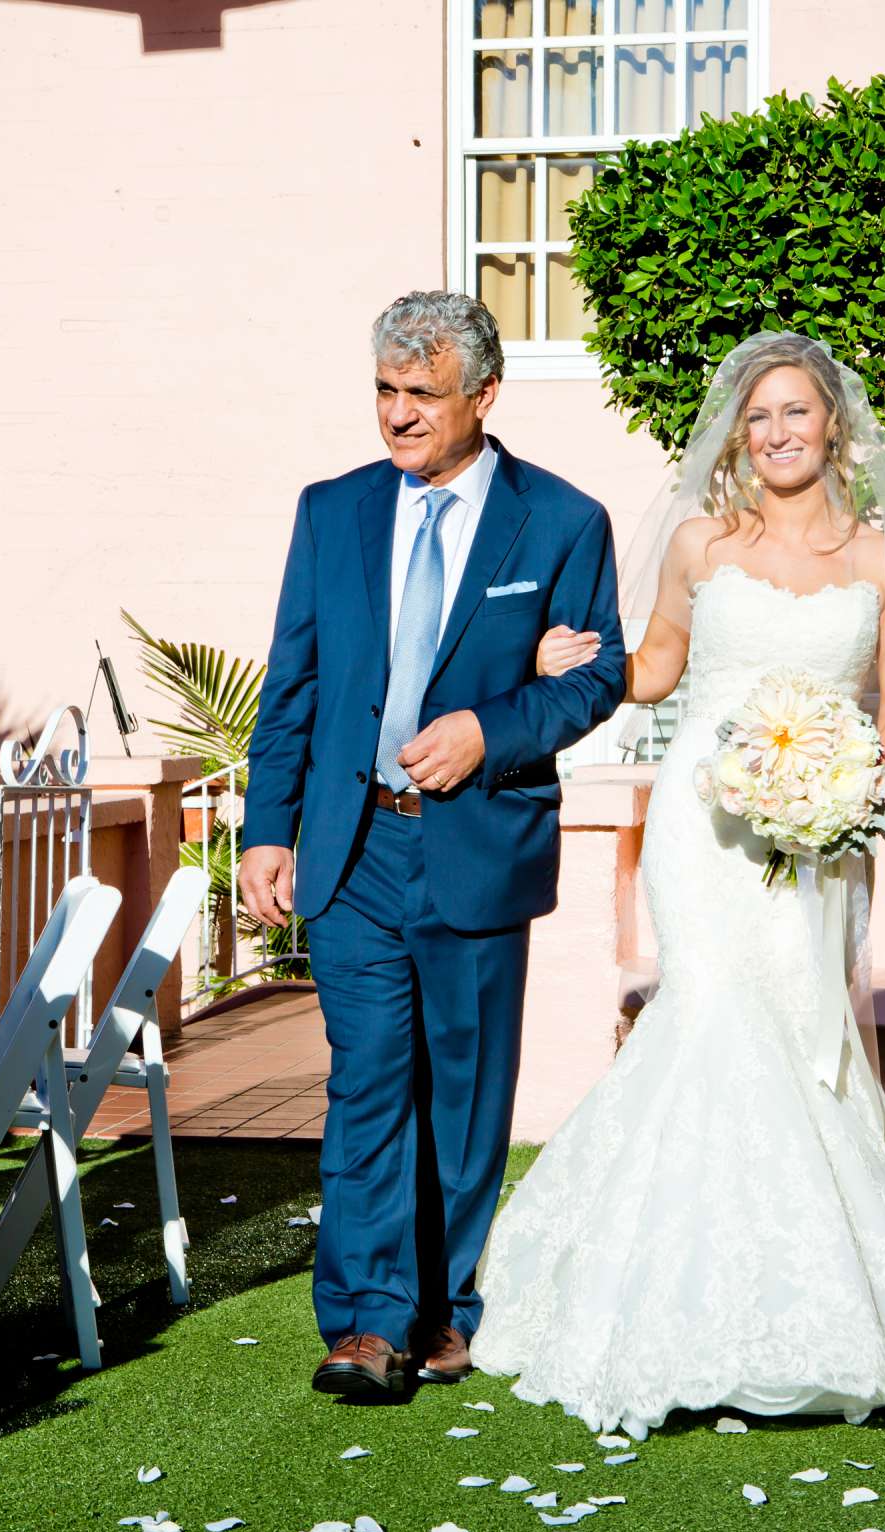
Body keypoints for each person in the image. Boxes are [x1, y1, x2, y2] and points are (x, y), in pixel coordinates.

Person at [470, 332, 885, 1438]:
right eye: (759, 417)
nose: (779, 431)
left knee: (799, 1033)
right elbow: (655, 669)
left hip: (816, 829)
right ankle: (679, 1315)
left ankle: (816, 1311)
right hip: (703, 822)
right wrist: (575, 661)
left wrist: (830, 789)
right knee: (714, 1015)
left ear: (832, 422)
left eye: (797, 412)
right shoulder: (700, 544)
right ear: (737, 435)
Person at [240, 291, 627, 1396]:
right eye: (384, 391)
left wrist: (490, 729)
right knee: (366, 1080)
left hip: (476, 847)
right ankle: (365, 1319)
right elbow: (294, 684)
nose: (398, 415)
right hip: (353, 849)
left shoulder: (561, 521)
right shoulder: (331, 512)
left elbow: (599, 675)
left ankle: (447, 1307)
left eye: (422, 393)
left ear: (484, 396)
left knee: (461, 1092)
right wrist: (269, 832)